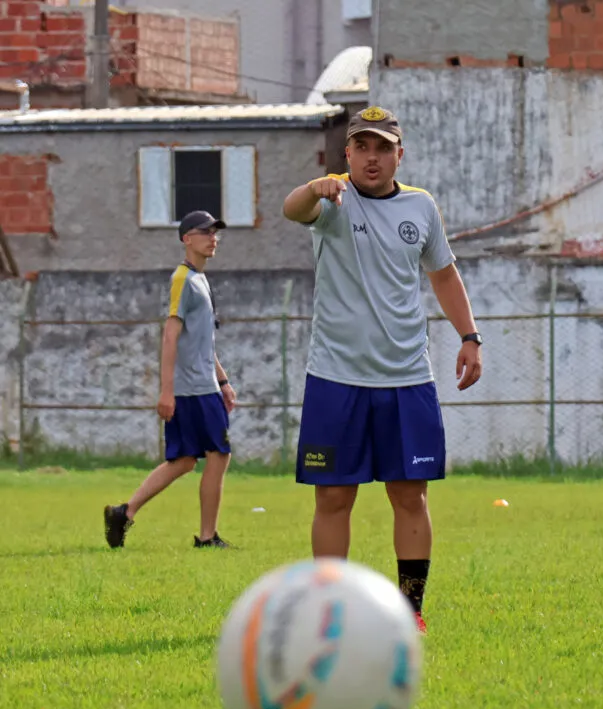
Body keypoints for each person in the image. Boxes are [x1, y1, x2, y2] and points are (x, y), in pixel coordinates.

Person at [282, 106, 483, 634]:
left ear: (400, 154)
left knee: (410, 495)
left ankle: (410, 608)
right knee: (333, 496)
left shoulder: (422, 207)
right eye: (363, 147)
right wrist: (314, 187)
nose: (373, 158)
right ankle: (329, 610)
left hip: (406, 378)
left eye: (383, 147)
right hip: (335, 377)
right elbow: (290, 208)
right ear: (347, 154)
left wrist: (469, 337)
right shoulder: (331, 202)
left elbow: (443, 276)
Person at [103, 210, 237, 549]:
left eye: (215, 232)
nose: (213, 238)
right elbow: (170, 335)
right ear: (186, 239)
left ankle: (124, 512)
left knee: (184, 461)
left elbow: (203, 341)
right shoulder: (183, 279)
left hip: (203, 385)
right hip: (193, 389)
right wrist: (166, 392)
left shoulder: (200, 279)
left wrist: (222, 381)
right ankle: (207, 537)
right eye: (205, 232)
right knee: (219, 454)